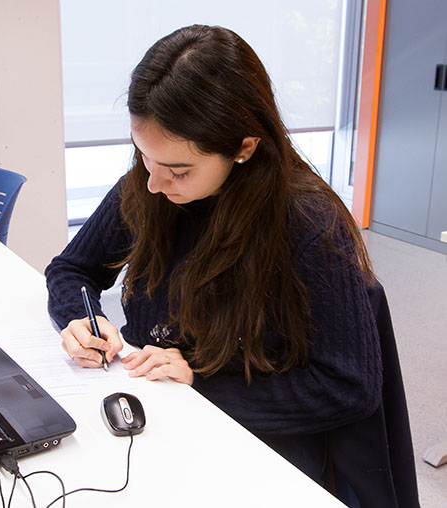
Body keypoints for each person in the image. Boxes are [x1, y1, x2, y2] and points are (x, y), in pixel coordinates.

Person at [44, 25, 381, 489]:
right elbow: (73, 268)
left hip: (250, 437)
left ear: (244, 148)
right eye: (144, 156)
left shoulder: (307, 223)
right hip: (152, 410)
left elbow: (349, 387)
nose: (152, 184)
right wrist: (77, 317)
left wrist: (199, 382)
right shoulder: (153, 186)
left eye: (178, 170)